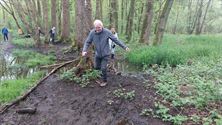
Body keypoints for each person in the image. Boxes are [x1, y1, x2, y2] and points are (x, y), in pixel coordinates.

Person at [82, 20, 130, 87]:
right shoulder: (92, 33)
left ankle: (104, 81)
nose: (98, 29)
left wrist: (125, 47)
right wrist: (84, 50)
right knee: (96, 67)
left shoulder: (107, 32)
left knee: (103, 68)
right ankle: (98, 77)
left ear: (102, 26)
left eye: (99, 27)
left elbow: (116, 40)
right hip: (97, 54)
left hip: (106, 54)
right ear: (94, 27)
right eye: (96, 27)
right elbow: (87, 42)